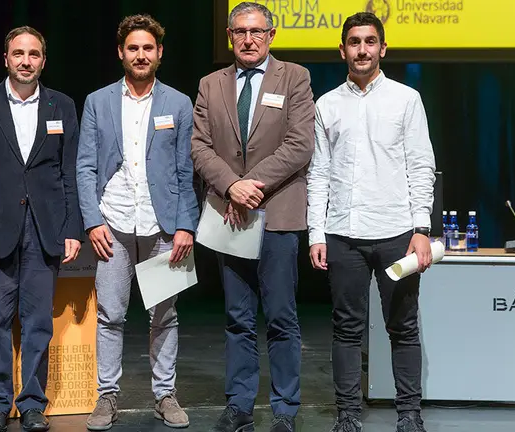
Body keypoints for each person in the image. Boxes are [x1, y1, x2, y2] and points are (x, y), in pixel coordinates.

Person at [306, 12, 436, 432]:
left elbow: (421, 166)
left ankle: (409, 415)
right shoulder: (326, 104)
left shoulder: (406, 99)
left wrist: (421, 229)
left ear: (383, 48)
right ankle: (347, 416)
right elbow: (318, 174)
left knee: (403, 326)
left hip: (397, 231)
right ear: (342, 50)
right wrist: (316, 233)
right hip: (342, 233)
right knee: (346, 328)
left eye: (370, 41)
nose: (362, 49)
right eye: (354, 42)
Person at [190, 2, 315, 431]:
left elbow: (300, 145)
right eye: (240, 32)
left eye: (257, 31)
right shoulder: (210, 84)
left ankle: (284, 410)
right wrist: (231, 186)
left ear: (271, 35)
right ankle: (239, 405)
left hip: (276, 213)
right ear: (229, 36)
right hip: (230, 216)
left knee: (281, 316)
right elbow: (200, 147)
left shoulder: (295, 77)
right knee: (237, 317)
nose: (248, 39)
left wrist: (250, 186)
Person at [0, 26, 82, 432]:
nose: (26, 61)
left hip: (45, 231)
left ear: (44, 60)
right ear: (5, 58)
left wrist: (72, 228)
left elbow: (71, 173)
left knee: (39, 322)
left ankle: (31, 404)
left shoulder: (62, 105)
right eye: (18, 54)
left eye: (34, 54)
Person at [76, 14, 199, 431]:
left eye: (148, 48)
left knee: (164, 314)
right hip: (113, 224)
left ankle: (165, 394)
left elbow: (187, 171)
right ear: (121, 53)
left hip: (164, 226)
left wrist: (187, 225)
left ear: (159, 53)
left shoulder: (179, 104)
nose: (141, 54)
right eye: (133, 48)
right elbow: (85, 167)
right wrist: (92, 221)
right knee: (110, 314)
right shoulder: (98, 101)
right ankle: (106, 396)